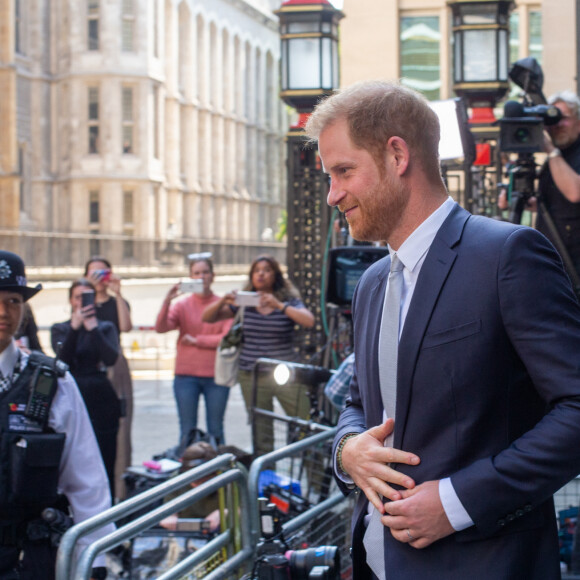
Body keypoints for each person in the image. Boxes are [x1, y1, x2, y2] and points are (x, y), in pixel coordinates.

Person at [304, 80, 580, 580]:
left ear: (396, 155)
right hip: (374, 563)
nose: (332, 195)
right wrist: (348, 450)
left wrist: (458, 502)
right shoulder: (369, 283)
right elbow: (361, 404)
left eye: (343, 171)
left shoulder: (508, 254)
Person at [0, 251, 113, 580]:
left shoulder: (52, 383)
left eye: (13, 301)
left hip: (29, 558)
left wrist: (95, 558)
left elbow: (86, 479)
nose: (3, 312)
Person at [202, 255, 315, 455]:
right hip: (252, 375)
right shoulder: (245, 301)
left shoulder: (288, 301)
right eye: (257, 270)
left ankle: (314, 483)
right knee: (261, 431)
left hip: (285, 374)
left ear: (276, 275)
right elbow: (207, 318)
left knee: (304, 424)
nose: (261, 274)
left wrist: (279, 305)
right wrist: (223, 301)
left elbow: (309, 321)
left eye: (267, 270)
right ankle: (265, 479)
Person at [51, 278, 121, 500]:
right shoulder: (60, 328)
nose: (83, 301)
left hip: (101, 395)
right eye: (78, 297)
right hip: (72, 393)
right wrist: (75, 327)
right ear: (71, 300)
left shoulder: (105, 327)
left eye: (87, 296)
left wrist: (93, 329)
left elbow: (111, 358)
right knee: (70, 455)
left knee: (105, 455)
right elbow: (62, 361)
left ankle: (107, 510)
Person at [155, 253, 233, 447]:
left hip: (216, 376)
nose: (201, 277)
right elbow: (161, 327)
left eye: (205, 272)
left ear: (212, 276)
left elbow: (226, 339)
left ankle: (219, 473)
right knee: (187, 431)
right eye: (196, 273)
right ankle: (189, 474)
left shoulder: (223, 305)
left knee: (216, 429)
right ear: (191, 277)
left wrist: (197, 340)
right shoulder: (182, 305)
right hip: (185, 376)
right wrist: (167, 301)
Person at [84, 256, 134, 500]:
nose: (99, 279)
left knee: (121, 428)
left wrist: (118, 294)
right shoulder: (84, 302)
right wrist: (86, 293)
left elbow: (125, 327)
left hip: (115, 366)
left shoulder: (116, 302)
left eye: (103, 273)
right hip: (89, 368)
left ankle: (121, 491)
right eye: (94, 274)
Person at [536, 90, 580, 280]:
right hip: (552, 262)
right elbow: (552, 201)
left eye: (564, 118)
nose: (558, 125)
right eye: (553, 119)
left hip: (574, 264)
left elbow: (574, 193)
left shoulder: (556, 156)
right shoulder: (553, 160)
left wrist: (552, 152)